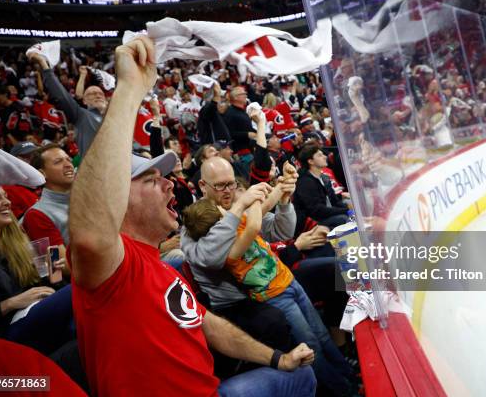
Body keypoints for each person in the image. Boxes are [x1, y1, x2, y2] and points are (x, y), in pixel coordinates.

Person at [68, 35, 316, 397]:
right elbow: (90, 232)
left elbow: (207, 323)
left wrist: (277, 359)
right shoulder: (111, 267)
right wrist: (128, 90)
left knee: (301, 375)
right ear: (118, 199)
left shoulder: (159, 267)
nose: (170, 187)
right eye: (153, 181)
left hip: (213, 388)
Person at [182, 156, 354, 396]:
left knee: (335, 275)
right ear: (202, 186)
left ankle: (347, 370)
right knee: (302, 336)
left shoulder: (236, 205)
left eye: (231, 183)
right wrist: (246, 205)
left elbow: (279, 230)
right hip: (247, 299)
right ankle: (340, 388)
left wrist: (283, 200)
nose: (229, 190)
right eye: (220, 185)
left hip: (281, 275)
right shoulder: (197, 220)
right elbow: (212, 255)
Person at [0, 177, 73, 354]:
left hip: (40, 317)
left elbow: (51, 286)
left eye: (5, 197)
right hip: (5, 334)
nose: (7, 202)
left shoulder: (21, 244)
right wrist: (9, 304)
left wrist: (54, 271)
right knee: (78, 292)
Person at [28, 52, 106, 158]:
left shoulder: (116, 116)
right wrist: (44, 64)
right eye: (91, 94)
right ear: (84, 101)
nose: (97, 95)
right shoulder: (82, 115)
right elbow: (61, 95)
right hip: (97, 168)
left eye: (100, 93)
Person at [22, 144, 75, 269]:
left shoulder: (88, 196)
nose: (68, 165)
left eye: (68, 159)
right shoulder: (36, 215)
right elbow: (61, 266)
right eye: (58, 162)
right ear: (42, 173)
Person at [293, 145, 349, 230]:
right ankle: (351, 242)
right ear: (311, 161)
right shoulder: (305, 182)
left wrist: (350, 207)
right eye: (320, 155)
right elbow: (317, 211)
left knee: (350, 208)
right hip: (312, 223)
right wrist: (346, 210)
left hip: (325, 216)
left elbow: (334, 202)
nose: (325, 157)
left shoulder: (324, 178)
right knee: (344, 219)